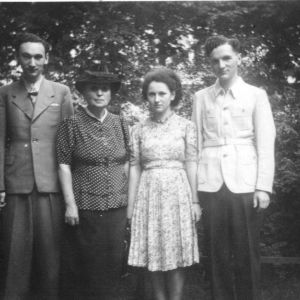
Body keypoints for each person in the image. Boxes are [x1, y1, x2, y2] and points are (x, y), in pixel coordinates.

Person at [192, 35, 276, 300]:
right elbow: (194, 145)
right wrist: (195, 193)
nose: (221, 64)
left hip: (246, 184)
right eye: (215, 60)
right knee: (216, 254)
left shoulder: (256, 95)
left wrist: (263, 186)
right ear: (209, 64)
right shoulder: (201, 97)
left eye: (227, 58)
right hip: (211, 183)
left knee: (246, 252)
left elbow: (265, 142)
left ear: (238, 58)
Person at [0, 32, 73, 299]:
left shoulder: (61, 92)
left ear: (47, 58)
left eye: (38, 56)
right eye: (26, 56)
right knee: (14, 256)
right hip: (16, 182)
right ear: (18, 58)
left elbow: (67, 143)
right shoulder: (5, 93)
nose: (32, 62)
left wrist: (70, 193)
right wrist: (0, 185)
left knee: (50, 255)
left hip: (50, 183)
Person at [127, 68, 202, 300]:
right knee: (154, 251)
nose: (157, 99)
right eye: (152, 94)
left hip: (178, 193)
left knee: (176, 250)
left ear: (173, 94)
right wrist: (131, 207)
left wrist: (195, 201)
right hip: (148, 194)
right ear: (146, 97)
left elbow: (191, 162)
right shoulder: (138, 129)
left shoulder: (186, 126)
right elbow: (134, 166)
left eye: (162, 93)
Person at [56, 69, 130, 299]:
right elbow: (63, 165)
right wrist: (70, 204)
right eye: (93, 88)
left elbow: (127, 161)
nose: (99, 93)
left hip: (117, 205)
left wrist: (126, 194)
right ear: (84, 93)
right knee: (87, 264)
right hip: (85, 206)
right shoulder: (72, 123)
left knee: (113, 262)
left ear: (111, 94)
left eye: (105, 89)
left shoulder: (120, 122)